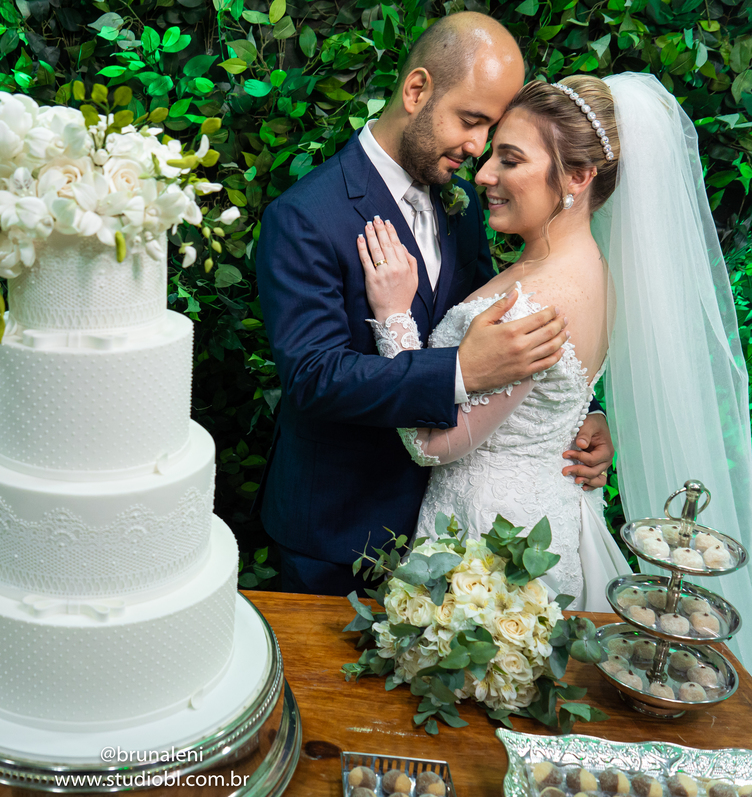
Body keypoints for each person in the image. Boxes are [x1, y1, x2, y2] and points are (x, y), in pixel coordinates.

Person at [361, 72, 752, 643]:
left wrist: (395, 317)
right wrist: (587, 417)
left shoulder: (539, 301)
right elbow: (556, 390)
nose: (484, 174)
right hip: (545, 517)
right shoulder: (594, 273)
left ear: (578, 176)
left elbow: (428, 444)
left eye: (510, 160)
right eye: (491, 153)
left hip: (493, 548)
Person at [255, 12, 614, 596]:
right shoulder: (304, 217)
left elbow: (505, 325)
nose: (478, 152)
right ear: (416, 90)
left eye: (491, 131)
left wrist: (572, 412)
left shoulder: (465, 205)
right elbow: (312, 377)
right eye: (470, 122)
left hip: (454, 533)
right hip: (340, 532)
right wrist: (459, 371)